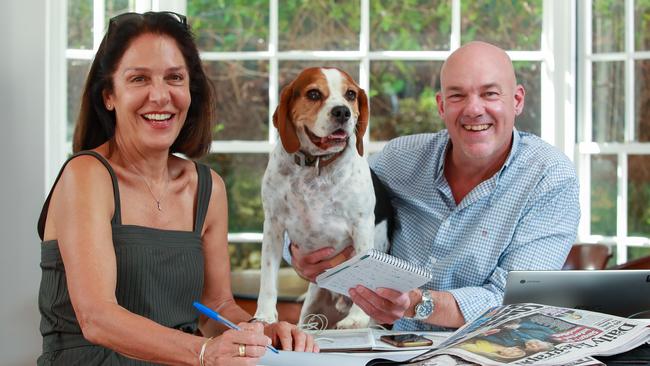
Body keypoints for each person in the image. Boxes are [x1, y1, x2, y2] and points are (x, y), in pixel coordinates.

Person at [37, 11, 316, 366]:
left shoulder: (207, 188)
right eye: (139, 79)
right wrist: (203, 351)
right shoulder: (86, 176)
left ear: (190, 91)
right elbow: (97, 318)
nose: (160, 96)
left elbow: (215, 307)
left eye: (175, 78)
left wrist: (258, 330)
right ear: (109, 95)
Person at [288, 41, 580, 331]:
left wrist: (417, 303)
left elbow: (512, 301)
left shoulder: (550, 178)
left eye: (490, 94)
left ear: (516, 100)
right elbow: (314, 206)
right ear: (442, 106)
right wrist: (299, 255)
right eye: (457, 96)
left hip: (484, 351)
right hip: (383, 349)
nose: (474, 109)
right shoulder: (398, 159)